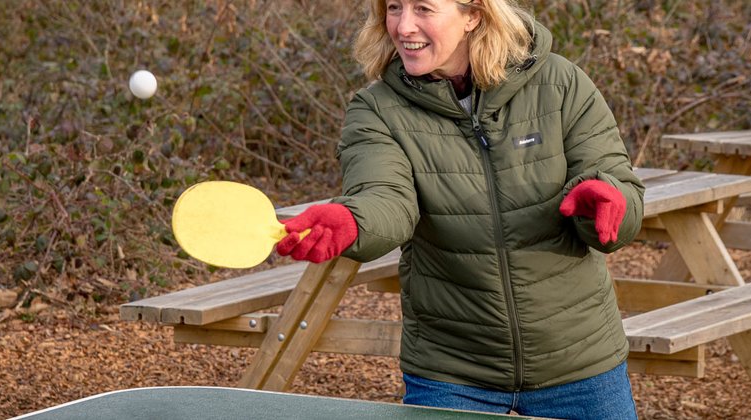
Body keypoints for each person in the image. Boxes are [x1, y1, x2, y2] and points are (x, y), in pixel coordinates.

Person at [274, 0, 644, 418]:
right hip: (451, 371)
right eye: (393, 7)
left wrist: (608, 200)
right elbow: (385, 197)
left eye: (423, 8)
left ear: (474, 15)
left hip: (580, 359)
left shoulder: (560, 83)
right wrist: (352, 220)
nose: (403, 25)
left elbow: (615, 181)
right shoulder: (376, 110)